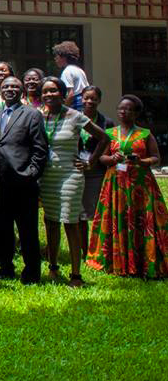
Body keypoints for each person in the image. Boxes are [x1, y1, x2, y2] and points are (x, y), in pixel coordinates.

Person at [38, 77, 109, 287]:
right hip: (48, 176)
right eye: (46, 92)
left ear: (62, 93)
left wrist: (90, 162)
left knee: (70, 222)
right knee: (50, 221)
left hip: (70, 175)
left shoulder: (75, 116)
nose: (49, 95)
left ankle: (76, 274)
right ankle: (53, 268)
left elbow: (104, 138)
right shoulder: (42, 116)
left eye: (53, 91)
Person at [87, 95, 168, 278]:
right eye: (121, 109)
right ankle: (115, 261)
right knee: (118, 218)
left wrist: (142, 161)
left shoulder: (145, 134)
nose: (124, 112)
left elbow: (156, 158)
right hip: (115, 184)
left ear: (136, 113)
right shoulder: (109, 134)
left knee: (141, 220)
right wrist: (112, 159)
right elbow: (101, 157)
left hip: (140, 184)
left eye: (129, 109)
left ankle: (144, 261)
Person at [0, 76, 47, 284]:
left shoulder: (32, 115)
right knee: (1, 228)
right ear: (0, 91)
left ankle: (31, 272)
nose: (10, 89)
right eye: (6, 87)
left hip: (23, 183)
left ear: (21, 92)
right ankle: (5, 267)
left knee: (27, 229)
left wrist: (31, 173)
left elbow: (40, 149)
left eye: (15, 87)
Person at [77, 86, 114, 257]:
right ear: (82, 99)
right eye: (86, 98)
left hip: (97, 172)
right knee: (79, 214)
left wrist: (93, 162)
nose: (90, 101)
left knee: (98, 212)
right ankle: (84, 251)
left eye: (93, 98)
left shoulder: (106, 123)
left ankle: (99, 250)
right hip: (76, 170)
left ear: (99, 100)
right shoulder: (74, 119)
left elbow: (109, 146)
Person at [53, 41, 88, 110]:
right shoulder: (79, 70)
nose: (55, 59)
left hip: (76, 105)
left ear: (63, 57)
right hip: (84, 103)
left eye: (57, 56)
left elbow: (70, 94)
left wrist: (63, 109)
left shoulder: (67, 72)